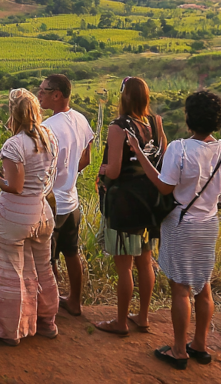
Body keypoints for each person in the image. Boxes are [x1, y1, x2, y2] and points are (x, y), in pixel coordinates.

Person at [133, 91, 221, 370]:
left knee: (180, 288)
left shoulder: (178, 148)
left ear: (189, 118)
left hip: (181, 223)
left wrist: (142, 156)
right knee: (203, 286)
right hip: (208, 223)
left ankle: (179, 350)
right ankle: (200, 344)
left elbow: (165, 186)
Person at [0, 88, 60, 346]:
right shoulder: (49, 137)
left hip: (14, 217)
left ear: (14, 114)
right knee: (43, 270)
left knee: (9, 274)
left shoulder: (14, 144)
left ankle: (11, 330)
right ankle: (47, 323)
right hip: (43, 212)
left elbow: (14, 186)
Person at [95, 76, 167, 336]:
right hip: (149, 201)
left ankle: (121, 321)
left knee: (124, 266)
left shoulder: (119, 126)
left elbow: (113, 171)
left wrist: (103, 168)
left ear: (123, 96)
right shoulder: (156, 123)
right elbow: (163, 160)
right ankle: (143, 317)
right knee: (145, 261)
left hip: (124, 202)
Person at [37, 74, 94, 317]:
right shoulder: (81, 119)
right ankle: (75, 302)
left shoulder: (48, 128)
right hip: (72, 200)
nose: (38, 95)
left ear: (57, 95)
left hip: (52, 202)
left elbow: (40, 168)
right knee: (72, 253)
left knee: (45, 260)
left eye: (43, 91)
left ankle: (45, 312)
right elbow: (87, 158)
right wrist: (69, 173)